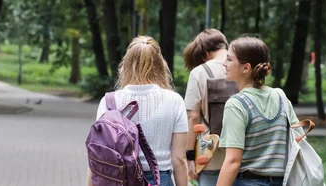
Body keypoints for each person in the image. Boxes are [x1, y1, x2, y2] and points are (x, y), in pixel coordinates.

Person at [86, 36, 188, 186]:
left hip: (119, 179)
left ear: (125, 64)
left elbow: (98, 154)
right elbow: (179, 159)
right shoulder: (174, 100)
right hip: (160, 179)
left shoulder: (108, 102)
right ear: (160, 64)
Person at [216, 36, 305, 186]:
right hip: (282, 181)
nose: (224, 64)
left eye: (229, 60)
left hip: (247, 181)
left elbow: (232, 161)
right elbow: (299, 137)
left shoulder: (237, 104)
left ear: (246, 67)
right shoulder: (280, 96)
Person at [182, 29, 229, 185]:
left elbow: (193, 117)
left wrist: (189, 157)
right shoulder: (243, 67)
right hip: (240, 158)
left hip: (210, 156)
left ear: (206, 53)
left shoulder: (199, 72)